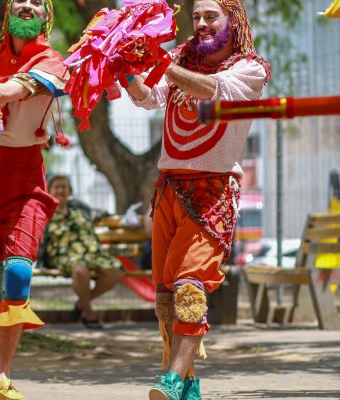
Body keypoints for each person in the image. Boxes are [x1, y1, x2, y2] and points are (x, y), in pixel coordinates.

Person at [124, 1, 270, 399]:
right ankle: (187, 386)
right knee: (168, 296)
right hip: (169, 187)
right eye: (197, 17)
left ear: (233, 20)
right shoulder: (179, 59)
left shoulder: (251, 68)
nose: (202, 24)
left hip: (214, 192)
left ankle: (170, 379)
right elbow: (147, 96)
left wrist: (161, 63)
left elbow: (213, 90)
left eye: (211, 16)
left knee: (190, 287)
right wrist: (122, 69)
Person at [0, 1, 69, 399]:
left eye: (36, 1)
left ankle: (4, 374)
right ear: (7, 10)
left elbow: (8, 91)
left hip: (24, 178)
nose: (26, 5)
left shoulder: (52, 61)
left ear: (45, 13)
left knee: (18, 275)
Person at [41, 175, 124, 329]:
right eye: (56, 187)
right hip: (63, 254)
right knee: (80, 271)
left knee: (116, 270)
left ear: (69, 191)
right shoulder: (44, 211)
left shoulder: (79, 208)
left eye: (64, 187)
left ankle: (81, 305)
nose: (60, 190)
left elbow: (97, 213)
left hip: (91, 252)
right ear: (49, 190)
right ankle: (89, 312)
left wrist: (122, 218)